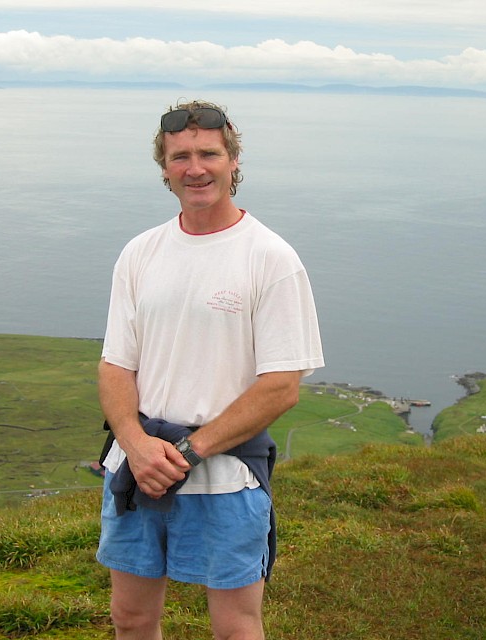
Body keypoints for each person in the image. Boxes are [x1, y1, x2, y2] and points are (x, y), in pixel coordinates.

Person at [95, 99, 324, 640]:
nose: (195, 168)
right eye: (180, 157)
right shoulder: (140, 252)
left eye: (208, 154)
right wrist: (135, 443)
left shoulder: (270, 257)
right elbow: (114, 365)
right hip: (138, 467)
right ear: (165, 169)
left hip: (226, 478)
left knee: (235, 627)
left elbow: (281, 386)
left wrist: (188, 452)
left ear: (233, 162)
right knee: (130, 619)